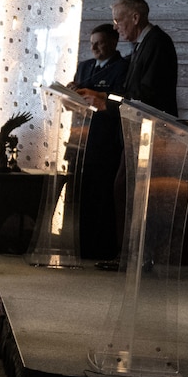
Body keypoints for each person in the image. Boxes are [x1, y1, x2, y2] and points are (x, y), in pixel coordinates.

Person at [73, 22, 130, 260]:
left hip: (105, 141)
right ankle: (80, 246)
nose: (94, 48)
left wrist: (96, 97)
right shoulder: (84, 67)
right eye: (92, 44)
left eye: (100, 43)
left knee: (102, 197)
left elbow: (121, 102)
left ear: (114, 43)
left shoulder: (123, 67)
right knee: (81, 197)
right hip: (80, 139)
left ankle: (101, 250)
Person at [89, 0, 179, 117]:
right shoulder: (143, 43)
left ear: (135, 18)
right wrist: (102, 95)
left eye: (117, 21)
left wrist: (106, 104)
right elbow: (131, 89)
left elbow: (148, 94)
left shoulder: (157, 42)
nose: (115, 27)